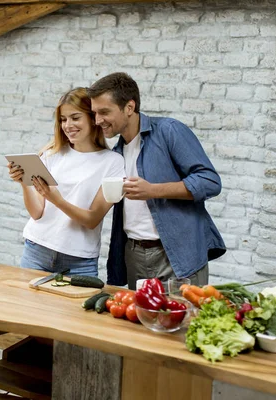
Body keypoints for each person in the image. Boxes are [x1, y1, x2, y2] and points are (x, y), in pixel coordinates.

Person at [87, 72, 225, 289]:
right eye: (95, 113)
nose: (97, 121)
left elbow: (210, 181)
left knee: (184, 321)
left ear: (129, 107)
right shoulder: (116, 153)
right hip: (133, 255)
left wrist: (153, 190)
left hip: (176, 254)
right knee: (139, 321)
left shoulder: (168, 131)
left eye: (104, 112)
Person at [7, 87, 124, 277]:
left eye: (75, 117)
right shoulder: (52, 154)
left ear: (92, 118)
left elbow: (92, 220)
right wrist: (24, 182)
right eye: (63, 119)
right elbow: (37, 213)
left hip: (79, 261)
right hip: (37, 251)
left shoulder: (113, 162)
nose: (68, 125)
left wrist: (57, 200)